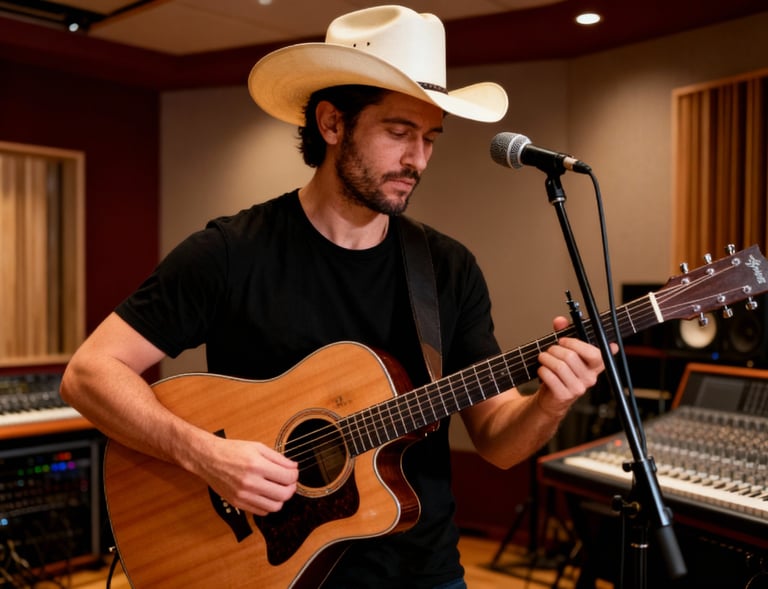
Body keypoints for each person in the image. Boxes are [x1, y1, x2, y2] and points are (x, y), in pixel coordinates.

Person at [61, 5, 606, 588]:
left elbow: (496, 441)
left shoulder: (446, 269)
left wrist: (549, 401)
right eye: (398, 133)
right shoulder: (230, 252)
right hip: (265, 572)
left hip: (423, 573)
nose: (417, 159)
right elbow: (89, 374)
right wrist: (206, 455)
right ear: (331, 123)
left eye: (430, 138)